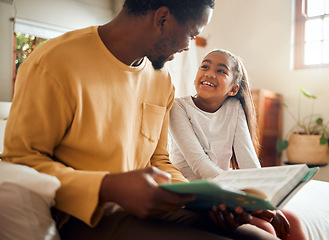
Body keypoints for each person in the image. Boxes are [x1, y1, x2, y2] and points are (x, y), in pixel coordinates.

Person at [0, 1, 280, 239]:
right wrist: (107, 186)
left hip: (153, 205)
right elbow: (21, 161)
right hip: (85, 216)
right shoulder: (53, 63)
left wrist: (205, 200)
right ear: (163, 19)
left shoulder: (161, 79)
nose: (187, 47)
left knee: (259, 236)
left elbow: (159, 160)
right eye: (191, 34)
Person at [169, 49, 307, 240]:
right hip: (196, 193)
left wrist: (265, 201)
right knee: (265, 229)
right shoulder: (178, 107)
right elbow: (200, 166)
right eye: (205, 66)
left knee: (293, 221)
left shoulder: (234, 108)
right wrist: (246, 199)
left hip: (227, 191)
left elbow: (249, 163)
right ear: (195, 77)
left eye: (221, 71)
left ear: (233, 89)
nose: (210, 73)